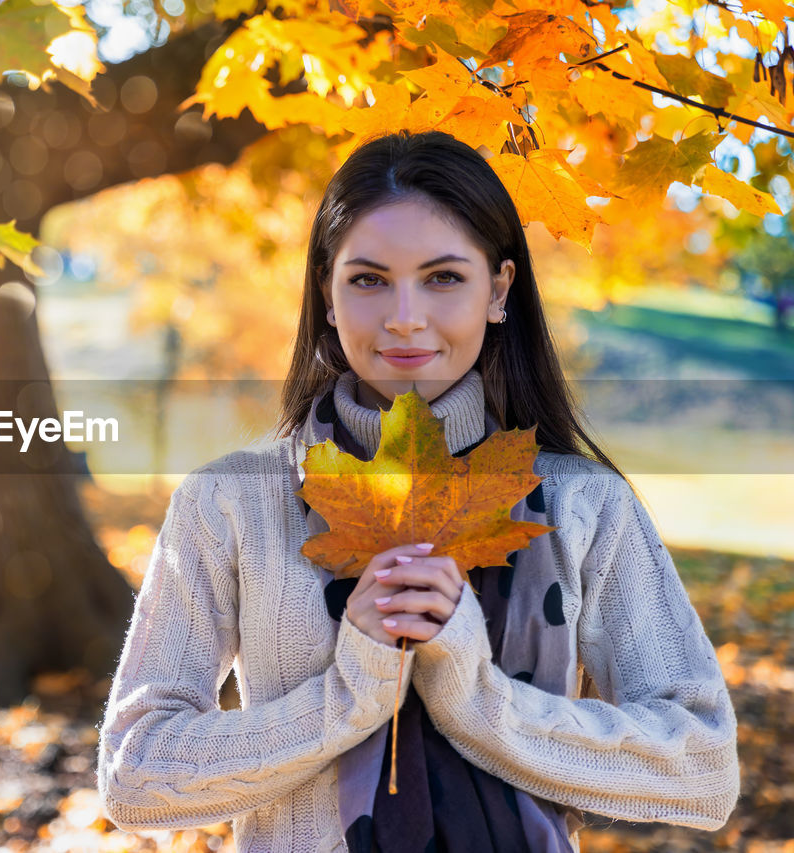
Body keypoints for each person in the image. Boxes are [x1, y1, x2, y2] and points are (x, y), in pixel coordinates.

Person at [95, 129, 741, 852]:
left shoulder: (585, 506)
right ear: (327, 296)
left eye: (443, 278)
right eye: (369, 279)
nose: (405, 317)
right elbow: (135, 777)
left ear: (498, 290)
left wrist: (477, 697)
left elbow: (702, 769)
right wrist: (350, 692)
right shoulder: (229, 503)